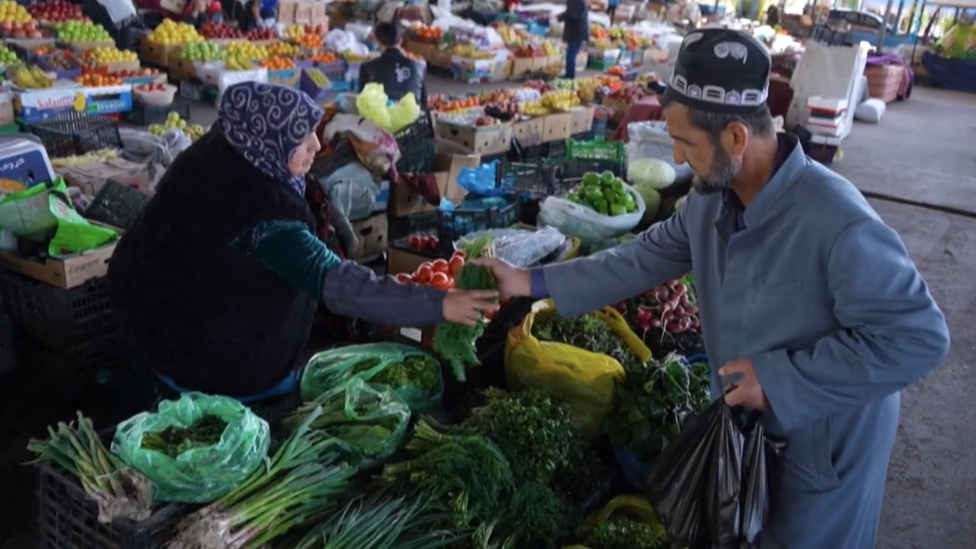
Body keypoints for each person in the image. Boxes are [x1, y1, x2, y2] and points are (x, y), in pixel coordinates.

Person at [474, 29, 949, 549]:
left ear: (737, 139)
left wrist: (780, 380)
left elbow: (919, 338)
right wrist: (531, 280)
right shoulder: (712, 197)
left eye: (686, 144)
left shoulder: (837, 223)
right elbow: (645, 255)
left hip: (823, 446)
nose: (678, 158)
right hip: (752, 429)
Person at [108, 82, 498, 399]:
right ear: (268, 139)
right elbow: (342, 286)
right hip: (213, 364)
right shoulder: (264, 215)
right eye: (301, 137)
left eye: (313, 130)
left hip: (158, 326)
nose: (316, 144)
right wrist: (440, 304)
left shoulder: (221, 151)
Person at [358, 22, 428, 107]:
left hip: (380, 117)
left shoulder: (368, 66)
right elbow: (423, 102)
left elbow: (362, 100)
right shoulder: (420, 65)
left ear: (378, 42)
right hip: (411, 116)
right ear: (400, 40)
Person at [558, 0, 589, 79]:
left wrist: (560, 17)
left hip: (576, 32)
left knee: (571, 55)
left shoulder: (575, 1)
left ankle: (569, 75)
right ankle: (570, 74)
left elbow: (572, 15)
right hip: (579, 31)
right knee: (572, 53)